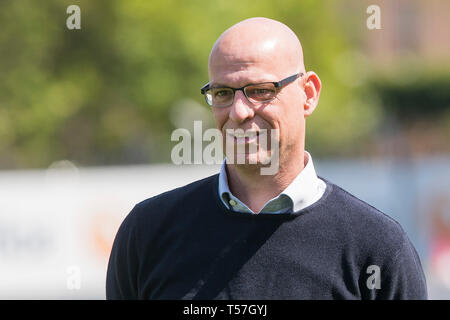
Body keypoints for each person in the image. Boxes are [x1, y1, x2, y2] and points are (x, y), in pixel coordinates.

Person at [106, 17, 427, 300]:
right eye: (222, 93)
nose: (239, 111)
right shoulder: (148, 233)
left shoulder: (376, 247)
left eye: (260, 90)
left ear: (309, 93)